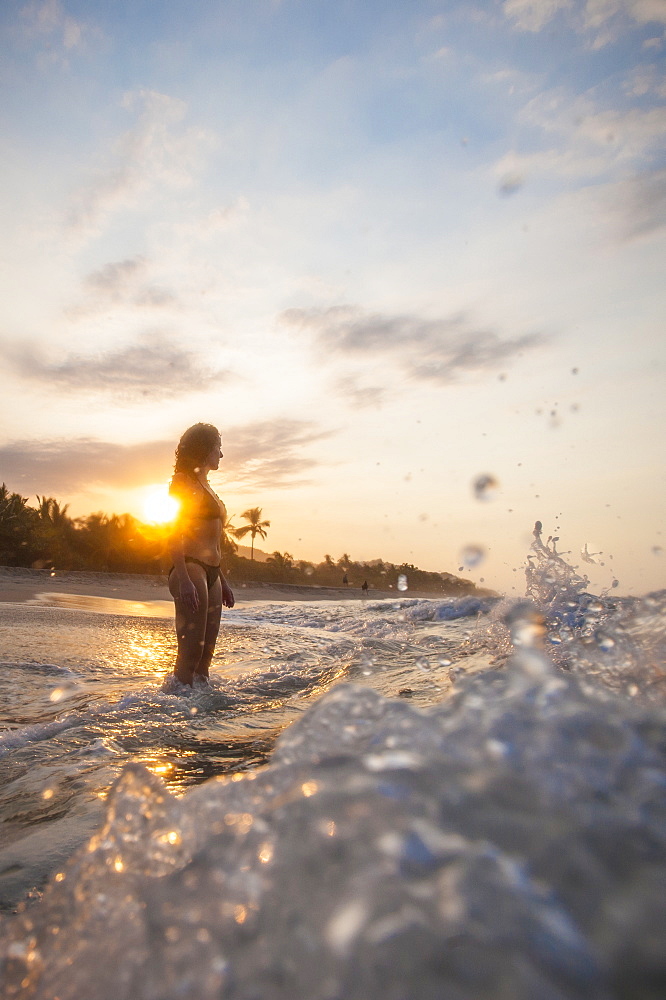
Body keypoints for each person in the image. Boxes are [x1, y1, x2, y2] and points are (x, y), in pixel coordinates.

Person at [167, 423, 235, 686]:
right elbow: (172, 530)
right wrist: (183, 578)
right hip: (191, 568)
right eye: (218, 448)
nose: (220, 455)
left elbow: (214, 539)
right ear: (204, 449)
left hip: (213, 574)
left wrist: (223, 580)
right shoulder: (183, 481)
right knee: (190, 655)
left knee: (206, 657)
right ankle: (172, 707)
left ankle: (200, 716)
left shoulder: (207, 486)